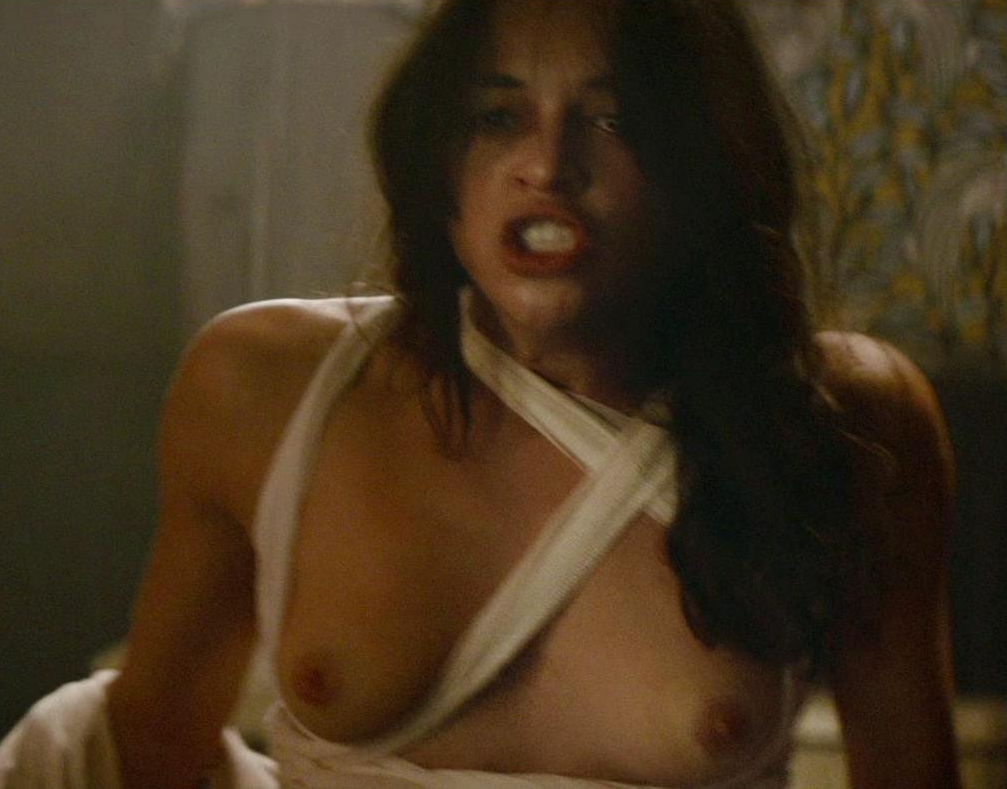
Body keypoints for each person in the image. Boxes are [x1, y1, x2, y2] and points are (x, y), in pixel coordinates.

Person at [1, 0, 960, 787]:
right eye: (497, 116)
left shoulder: (843, 420)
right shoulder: (262, 385)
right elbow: (144, 753)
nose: (546, 165)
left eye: (612, 117)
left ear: (702, 162)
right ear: (436, 159)